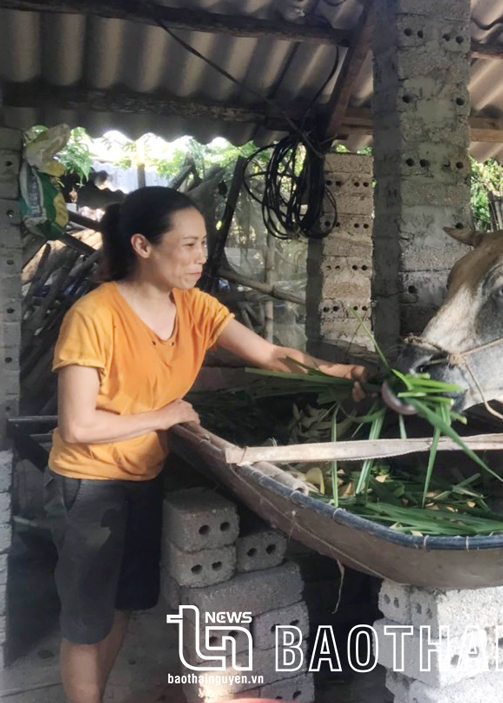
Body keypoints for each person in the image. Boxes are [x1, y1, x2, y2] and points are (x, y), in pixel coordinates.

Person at [44, 186, 367, 703]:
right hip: (88, 485)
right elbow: (78, 426)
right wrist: (165, 415)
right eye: (189, 244)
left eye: (204, 244)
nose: (201, 256)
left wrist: (338, 372)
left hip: (142, 478)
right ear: (143, 246)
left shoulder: (195, 307)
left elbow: (271, 356)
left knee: (122, 604)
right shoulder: (94, 316)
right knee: (86, 620)